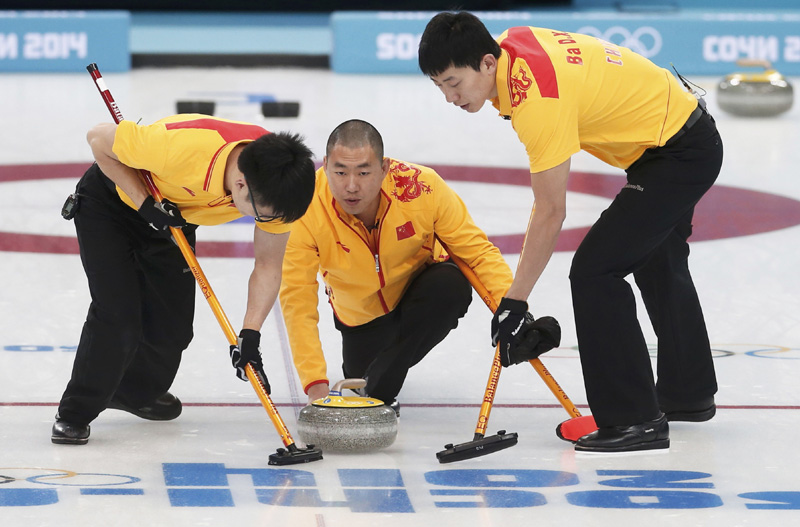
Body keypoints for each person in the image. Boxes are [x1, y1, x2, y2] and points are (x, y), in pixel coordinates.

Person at [418, 12, 723, 452]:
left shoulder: (536, 98)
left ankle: (634, 419)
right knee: (659, 259)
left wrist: (514, 301)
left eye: (453, 82)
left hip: (679, 153)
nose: (450, 97)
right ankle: (688, 393)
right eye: (440, 86)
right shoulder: (507, 45)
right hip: (676, 135)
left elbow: (550, 212)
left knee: (595, 270)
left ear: (487, 63)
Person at [52, 113, 316, 445]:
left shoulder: (281, 187)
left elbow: (267, 266)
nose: (268, 222)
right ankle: (75, 413)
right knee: (118, 315)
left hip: (172, 218)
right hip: (112, 204)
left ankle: (134, 393)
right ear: (240, 185)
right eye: (261, 215)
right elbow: (98, 137)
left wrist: (250, 334)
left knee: (173, 328)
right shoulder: (179, 149)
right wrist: (145, 203)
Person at [278, 119, 561, 412]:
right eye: (339, 172)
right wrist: (315, 386)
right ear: (325, 164)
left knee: (450, 286)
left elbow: (476, 253)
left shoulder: (421, 187)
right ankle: (379, 372)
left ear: (384, 167)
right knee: (362, 376)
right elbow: (297, 297)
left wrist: (514, 311)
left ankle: (385, 377)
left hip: (422, 296)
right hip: (360, 318)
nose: (351, 186)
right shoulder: (305, 205)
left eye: (364, 172)